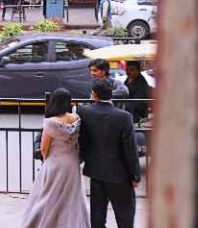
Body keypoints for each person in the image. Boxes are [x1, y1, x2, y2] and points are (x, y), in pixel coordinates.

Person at [20, 88, 89, 228]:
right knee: (72, 195)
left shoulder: (50, 122)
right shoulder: (76, 118)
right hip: (72, 161)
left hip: (55, 162)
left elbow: (44, 148)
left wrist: (47, 160)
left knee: (49, 194)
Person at [78, 78, 141, 228]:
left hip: (95, 171)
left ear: (94, 94)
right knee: (125, 216)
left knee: (97, 217)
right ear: (111, 94)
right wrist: (135, 174)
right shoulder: (124, 117)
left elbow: (82, 141)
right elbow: (130, 148)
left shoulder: (84, 112)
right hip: (120, 174)